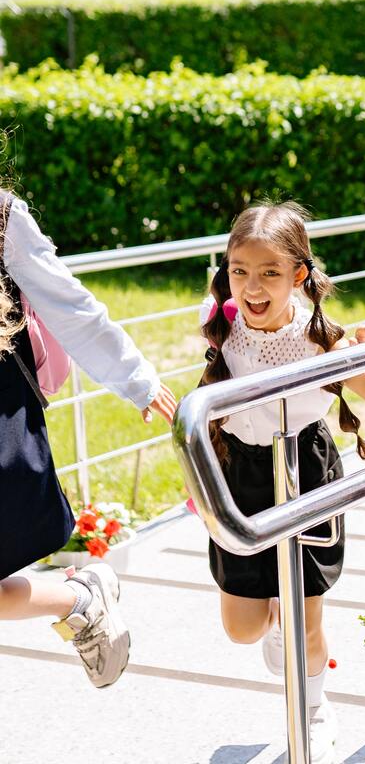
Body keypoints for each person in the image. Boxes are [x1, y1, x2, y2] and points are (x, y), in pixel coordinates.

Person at [198, 201, 365, 764]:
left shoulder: (319, 338)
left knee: (305, 618)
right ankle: (276, 630)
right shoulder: (221, 322)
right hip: (241, 473)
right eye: (241, 271)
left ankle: (314, 709)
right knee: (243, 628)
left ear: (298, 276)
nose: (253, 286)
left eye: (269, 273)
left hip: (305, 473)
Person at [0, 190, 176, 688]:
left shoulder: (2, 216)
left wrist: (137, 379)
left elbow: (70, 306)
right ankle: (79, 600)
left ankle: (79, 600)